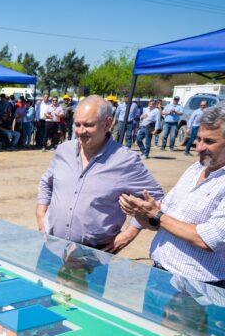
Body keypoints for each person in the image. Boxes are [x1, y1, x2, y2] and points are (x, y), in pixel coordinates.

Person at [119, 100, 225, 283]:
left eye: (209, 141)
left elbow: (209, 240)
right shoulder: (196, 169)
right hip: (159, 274)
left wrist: (156, 215)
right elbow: (161, 221)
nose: (199, 147)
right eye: (199, 138)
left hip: (194, 287)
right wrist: (143, 213)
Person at [37, 95, 164, 253]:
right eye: (77, 124)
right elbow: (46, 183)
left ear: (108, 124)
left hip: (93, 253)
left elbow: (156, 199)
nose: (81, 131)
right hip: (51, 244)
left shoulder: (125, 160)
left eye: (88, 125)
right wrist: (41, 214)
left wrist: (129, 233)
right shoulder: (64, 151)